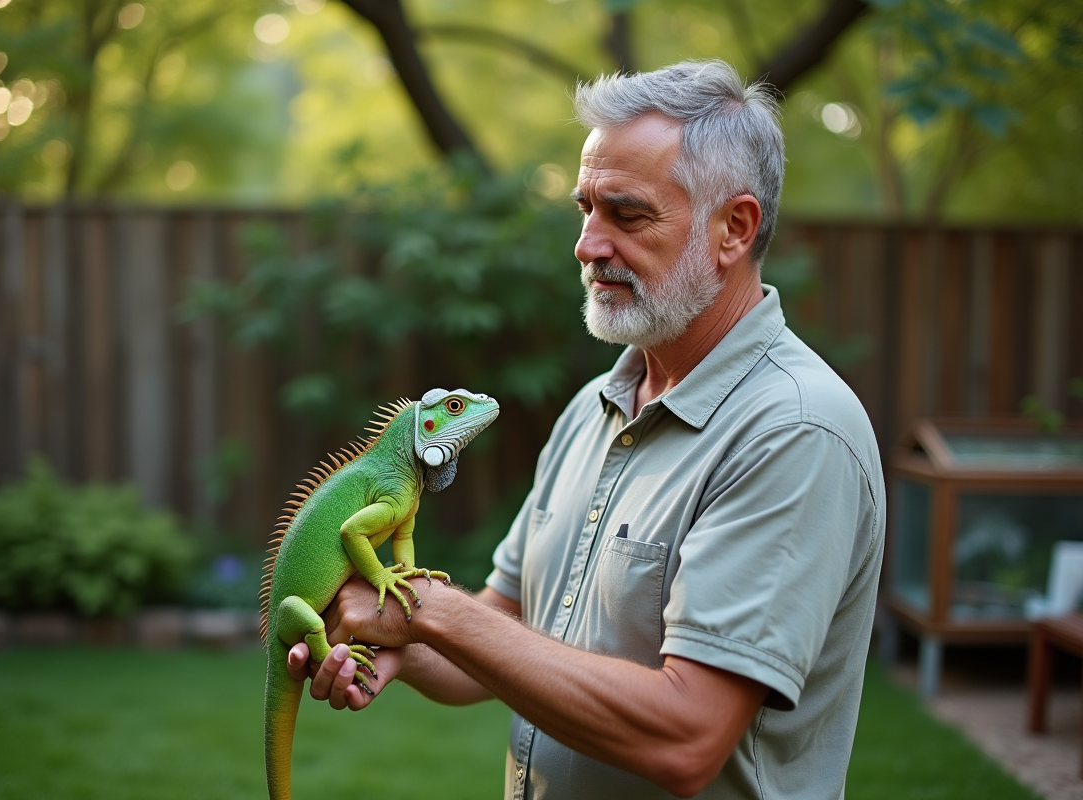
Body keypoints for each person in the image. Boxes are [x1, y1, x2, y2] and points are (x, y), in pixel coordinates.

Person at [286, 59, 884, 800]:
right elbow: (503, 630)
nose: (587, 243)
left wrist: (431, 611)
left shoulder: (793, 431)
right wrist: (397, 641)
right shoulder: (595, 408)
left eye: (626, 214)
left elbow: (687, 736)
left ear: (734, 228)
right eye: (584, 208)